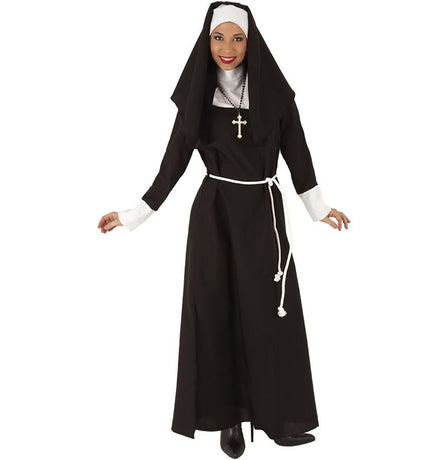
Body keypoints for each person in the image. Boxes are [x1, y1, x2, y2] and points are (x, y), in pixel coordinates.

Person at [98, 2, 350, 458]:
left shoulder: (274, 96)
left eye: (237, 38)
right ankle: (228, 420)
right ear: (207, 41)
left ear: (251, 43)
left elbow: (298, 152)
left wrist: (319, 207)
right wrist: (134, 213)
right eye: (218, 38)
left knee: (269, 315)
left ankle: (277, 418)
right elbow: (173, 163)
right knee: (215, 314)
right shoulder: (199, 97)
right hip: (213, 215)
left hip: (262, 215)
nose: (227, 48)